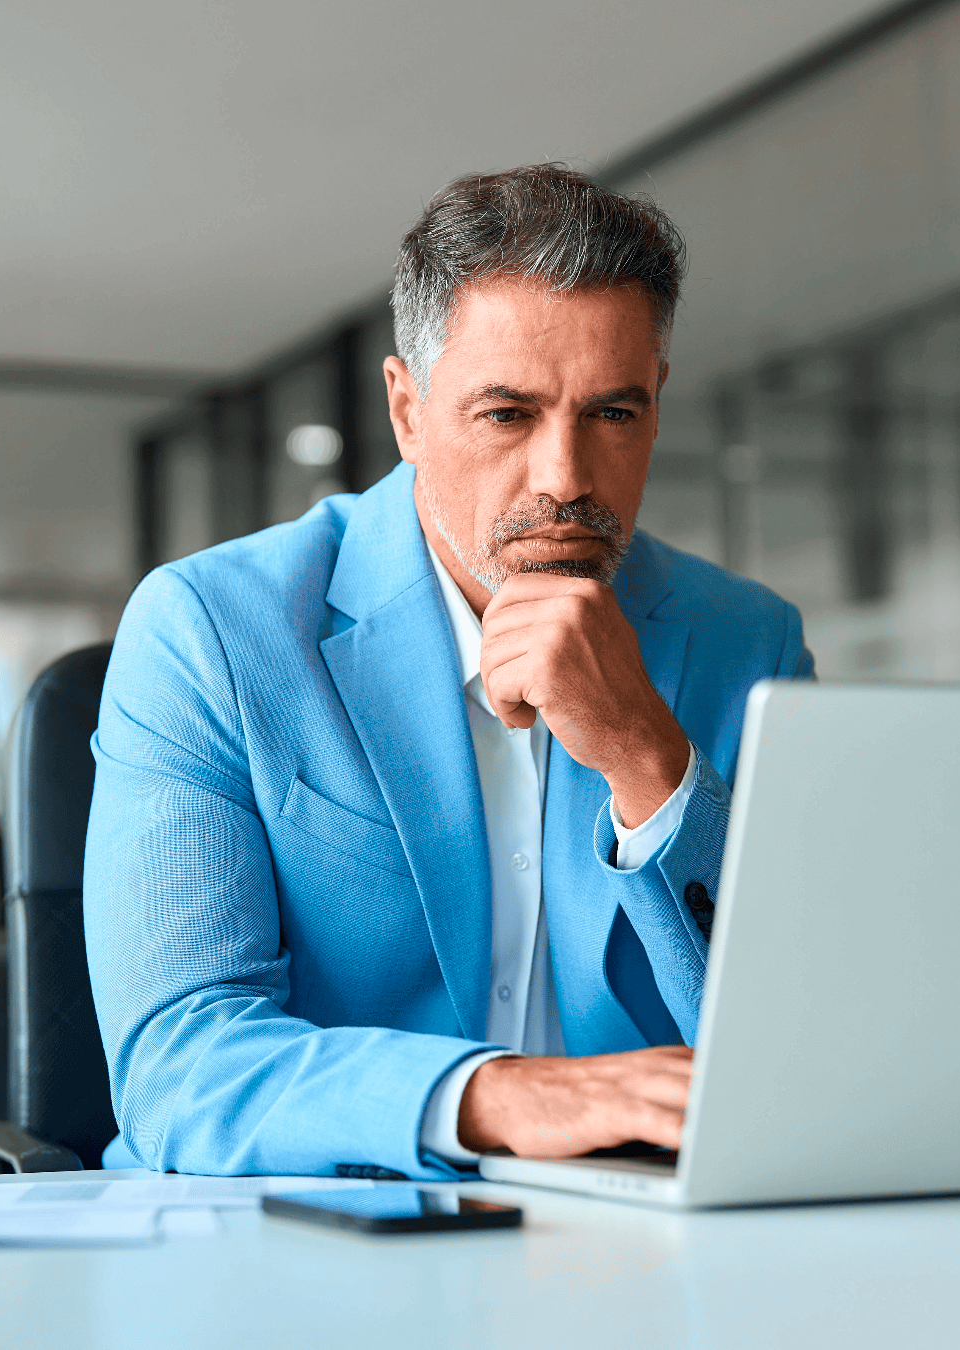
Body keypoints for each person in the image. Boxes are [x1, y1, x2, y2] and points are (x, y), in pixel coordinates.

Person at [84, 163, 813, 1179]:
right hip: (302, 1235)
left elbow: (802, 1055)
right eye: (506, 415)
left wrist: (649, 760)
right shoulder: (209, 630)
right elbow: (180, 1071)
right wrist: (500, 1098)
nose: (564, 479)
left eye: (612, 413)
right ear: (407, 410)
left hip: (638, 1239)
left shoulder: (750, 645)